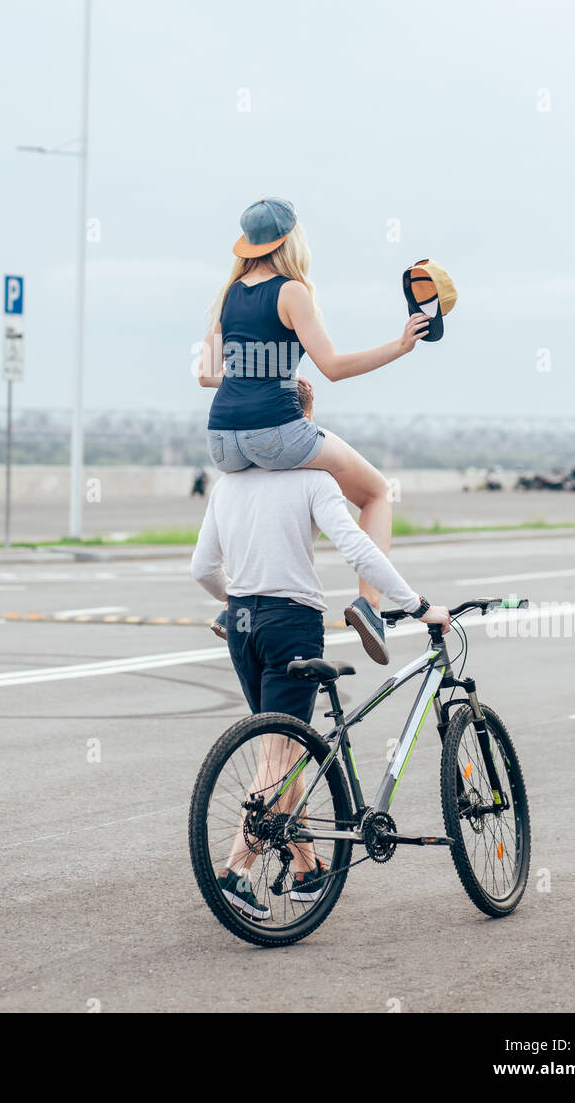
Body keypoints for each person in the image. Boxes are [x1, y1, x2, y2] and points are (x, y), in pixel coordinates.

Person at [190, 377, 450, 918]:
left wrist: (229, 603)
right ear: (301, 424)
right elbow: (357, 546)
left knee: (283, 743)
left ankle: (307, 869)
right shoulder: (313, 478)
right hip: (292, 621)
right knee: (277, 753)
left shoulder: (227, 484)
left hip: (241, 621)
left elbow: (202, 569)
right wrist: (416, 602)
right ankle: (237, 873)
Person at [198, 196, 430, 662]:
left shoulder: (229, 294)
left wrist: (253, 373)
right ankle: (372, 606)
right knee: (376, 493)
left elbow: (206, 374)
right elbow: (334, 367)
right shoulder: (292, 291)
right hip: (277, 431)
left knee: (274, 500)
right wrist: (400, 346)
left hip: (223, 439)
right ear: (292, 240)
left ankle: (237, 607)